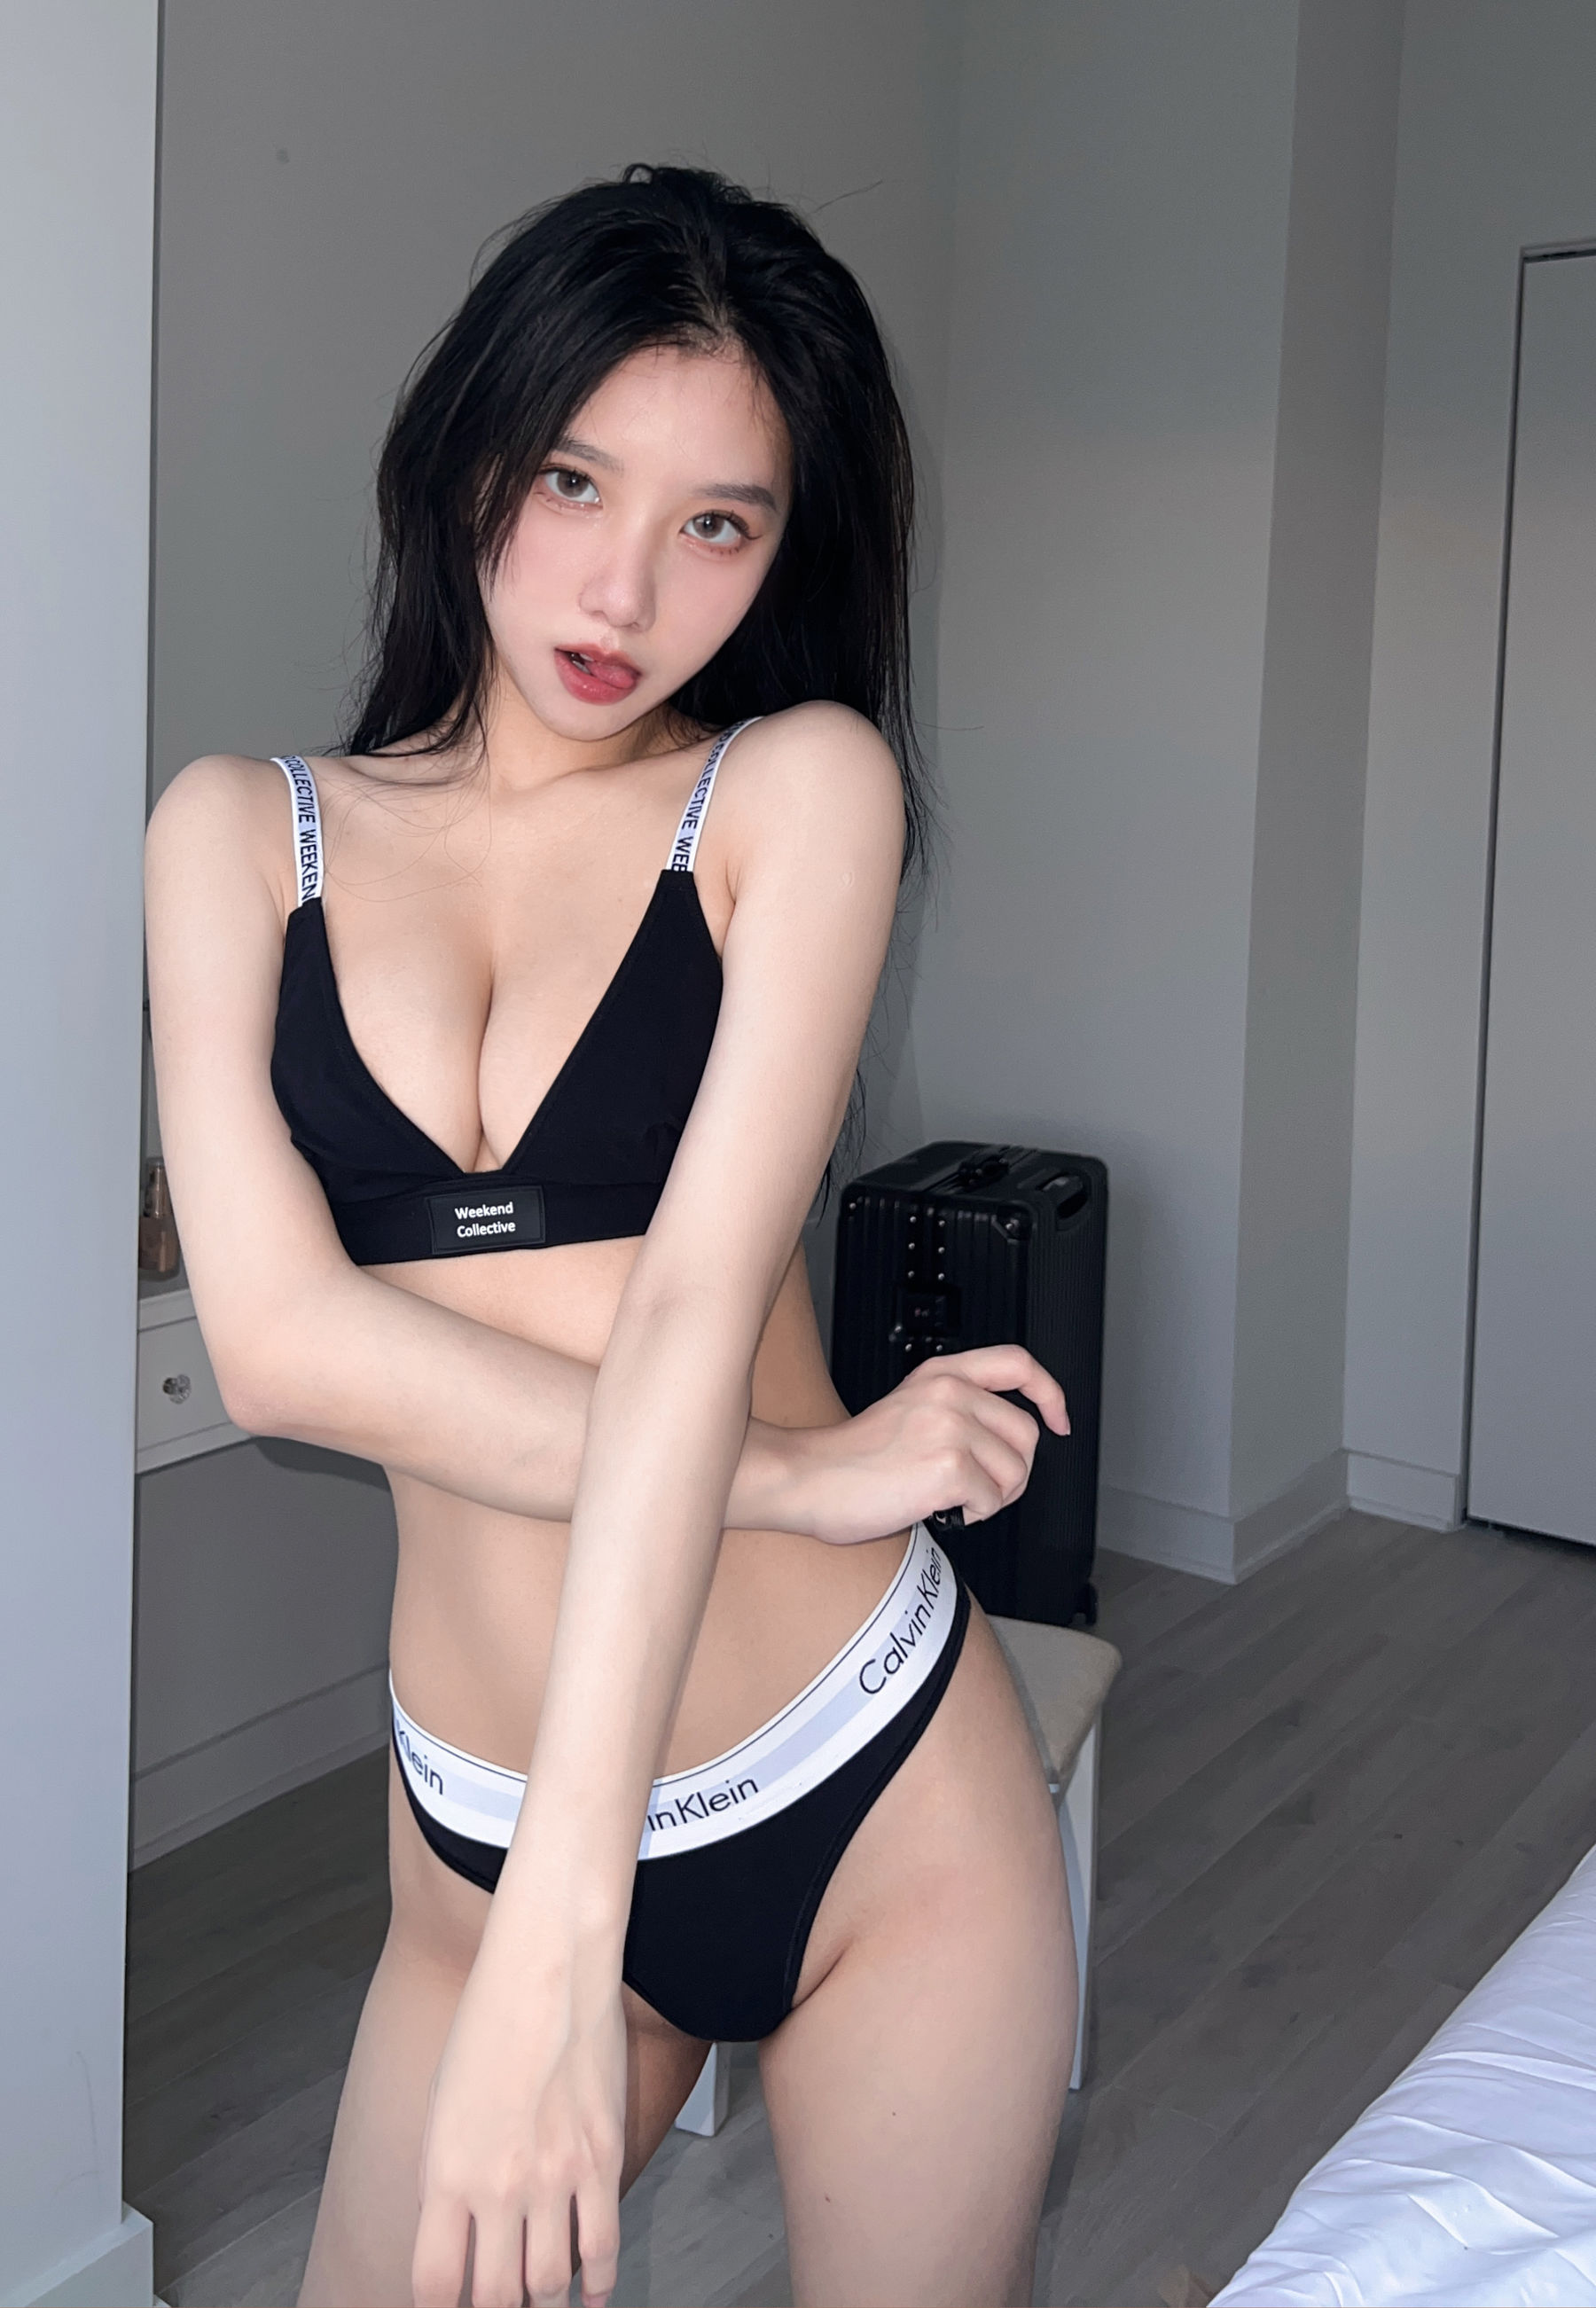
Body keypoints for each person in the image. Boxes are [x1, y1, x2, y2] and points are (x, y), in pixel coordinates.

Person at [145, 166, 1076, 2308]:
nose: (625, 587)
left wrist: (571, 1940)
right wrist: (805, 1475)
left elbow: (684, 1318)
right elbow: (279, 1347)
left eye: (716, 524)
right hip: (476, 1820)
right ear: (473, 448)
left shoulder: (795, 792)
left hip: (859, 1782)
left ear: (783, 552)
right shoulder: (239, 834)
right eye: (575, 479)